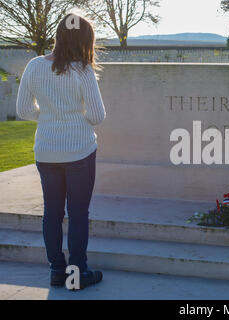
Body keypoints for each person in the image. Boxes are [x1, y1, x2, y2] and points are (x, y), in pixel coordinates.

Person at [16, 13, 106, 290]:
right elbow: (97, 116)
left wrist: (50, 115)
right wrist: (71, 115)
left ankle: (57, 271)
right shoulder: (82, 70)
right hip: (79, 150)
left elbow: (23, 110)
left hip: (46, 151)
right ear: (84, 40)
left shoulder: (33, 66)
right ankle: (77, 275)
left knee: (51, 213)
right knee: (78, 213)